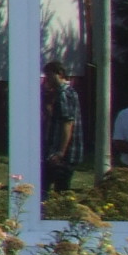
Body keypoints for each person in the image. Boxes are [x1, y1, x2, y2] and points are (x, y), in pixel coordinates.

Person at [39, 63, 82, 197]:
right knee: (47, 185)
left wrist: (61, 152)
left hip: (63, 153)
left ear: (59, 74)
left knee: (55, 189)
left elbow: (67, 123)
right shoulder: (64, 92)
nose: (47, 79)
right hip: (57, 149)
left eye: (49, 75)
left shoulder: (64, 93)